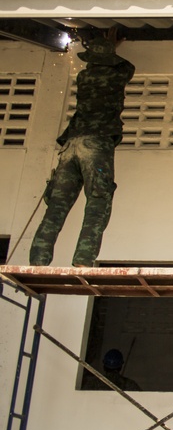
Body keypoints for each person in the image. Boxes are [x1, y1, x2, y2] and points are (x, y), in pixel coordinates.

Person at [30, 28, 135, 267]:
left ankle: (38, 259)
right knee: (98, 200)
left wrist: (106, 49)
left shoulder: (84, 77)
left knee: (56, 206)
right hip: (96, 144)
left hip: (70, 145)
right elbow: (128, 67)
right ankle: (83, 259)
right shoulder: (116, 76)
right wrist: (112, 49)